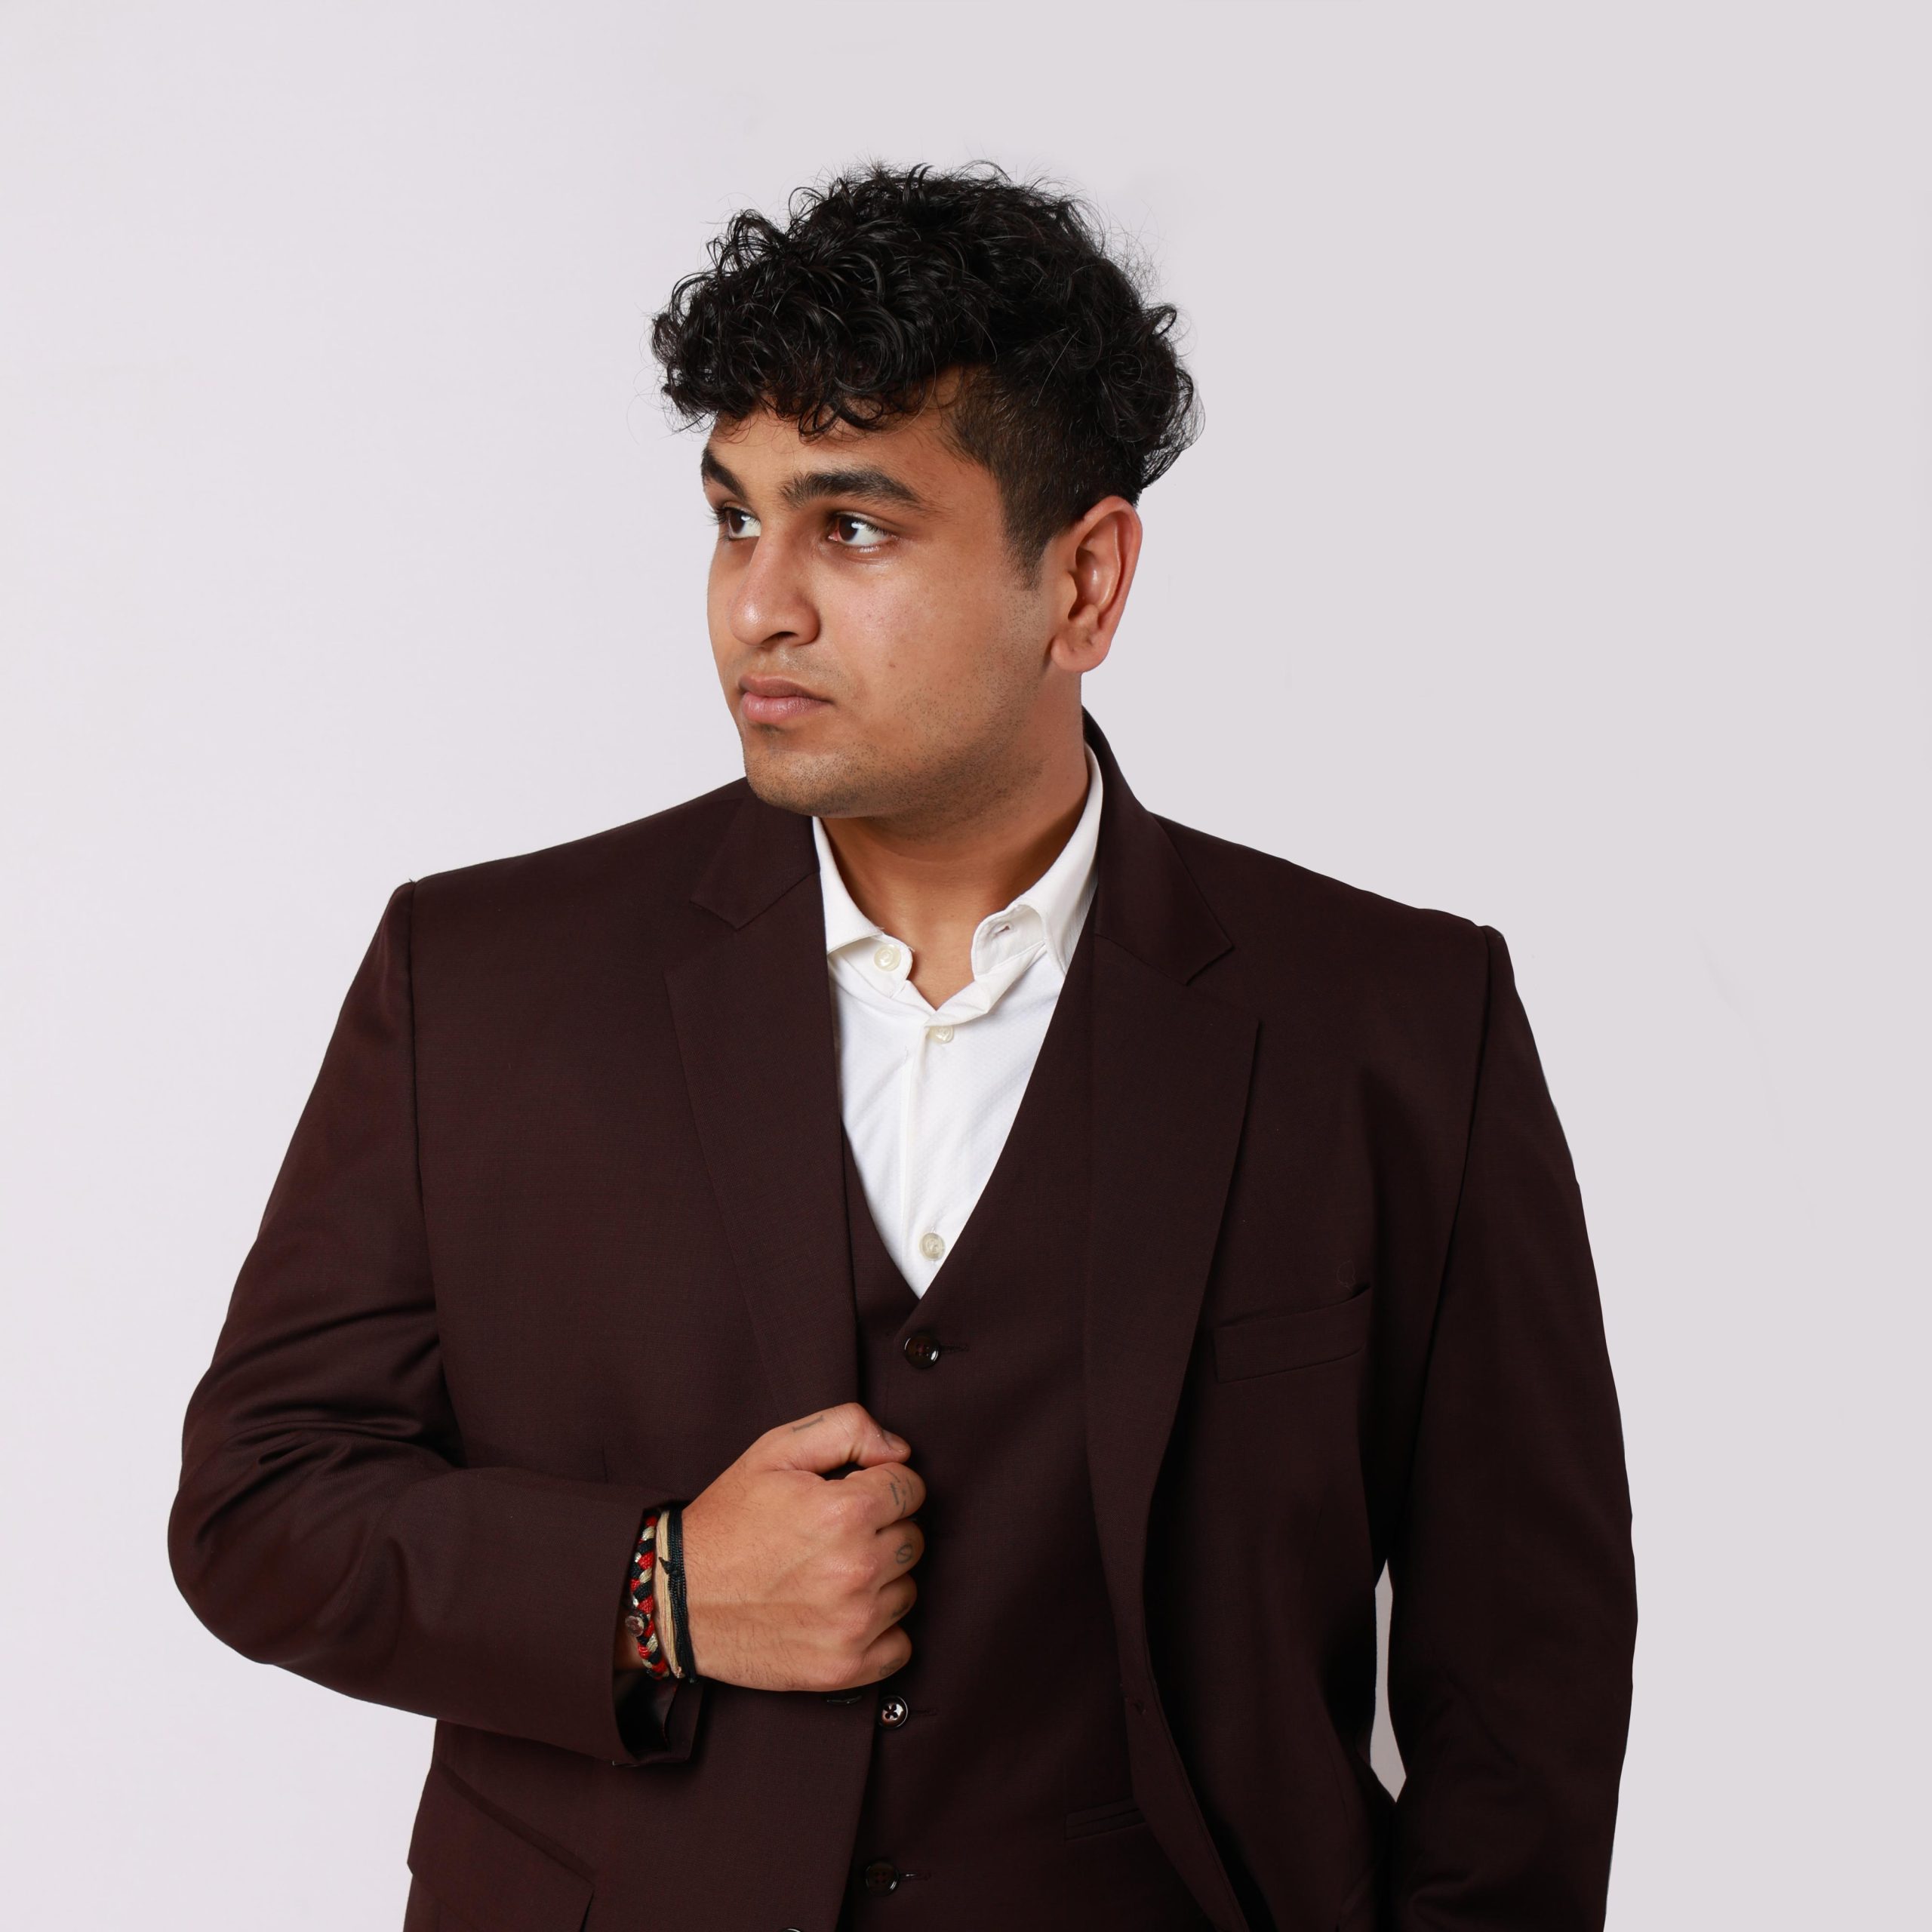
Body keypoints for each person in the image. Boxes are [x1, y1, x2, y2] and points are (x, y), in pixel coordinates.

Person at [170, 162, 1636, 1932]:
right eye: (734, 516)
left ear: (1081, 583)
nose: (754, 606)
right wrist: (658, 1587)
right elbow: (259, 1504)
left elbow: (1522, 1680)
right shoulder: (482, 979)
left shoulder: (1394, 1024)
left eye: (849, 527)